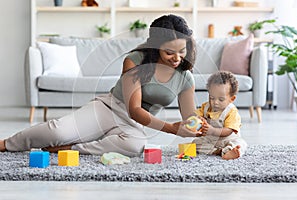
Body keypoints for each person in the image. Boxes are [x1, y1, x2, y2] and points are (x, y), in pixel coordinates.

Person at [0, 14, 201, 157]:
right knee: (57, 132)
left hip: (135, 125)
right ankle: (6, 144)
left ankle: (71, 149)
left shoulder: (185, 77)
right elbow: (134, 109)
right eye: (169, 52)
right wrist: (171, 129)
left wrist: (198, 125)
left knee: (135, 145)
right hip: (109, 108)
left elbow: (189, 116)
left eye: (182, 50)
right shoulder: (134, 60)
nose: (177, 58)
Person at [192, 71, 247, 160]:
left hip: (228, 139)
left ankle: (230, 151)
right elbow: (196, 116)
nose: (215, 102)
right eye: (212, 98)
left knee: (240, 144)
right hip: (210, 140)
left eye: (221, 99)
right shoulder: (205, 106)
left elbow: (228, 131)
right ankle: (218, 151)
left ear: (231, 99)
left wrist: (213, 130)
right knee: (195, 143)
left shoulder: (231, 111)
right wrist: (199, 119)